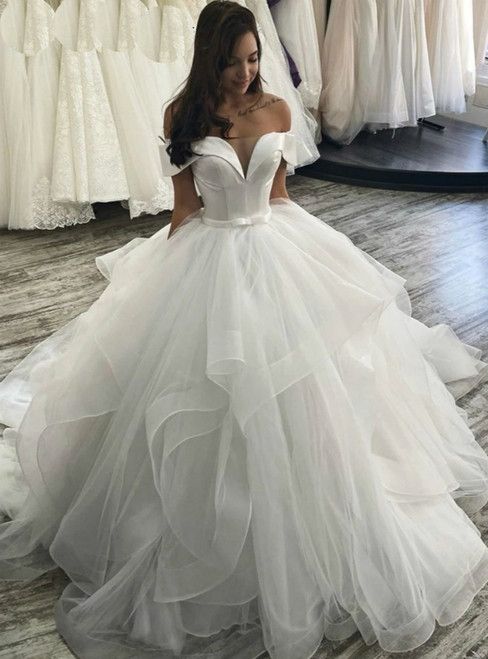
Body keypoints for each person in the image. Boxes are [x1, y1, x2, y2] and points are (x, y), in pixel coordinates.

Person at [0, 2, 487, 658]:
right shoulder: (182, 117)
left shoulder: (278, 111)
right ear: (210, 59)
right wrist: (158, 296)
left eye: (254, 59)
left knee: (314, 397)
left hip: (275, 247)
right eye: (233, 61)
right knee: (201, 403)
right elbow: (185, 212)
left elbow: (280, 195)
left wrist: (316, 255)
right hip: (209, 255)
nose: (246, 72)